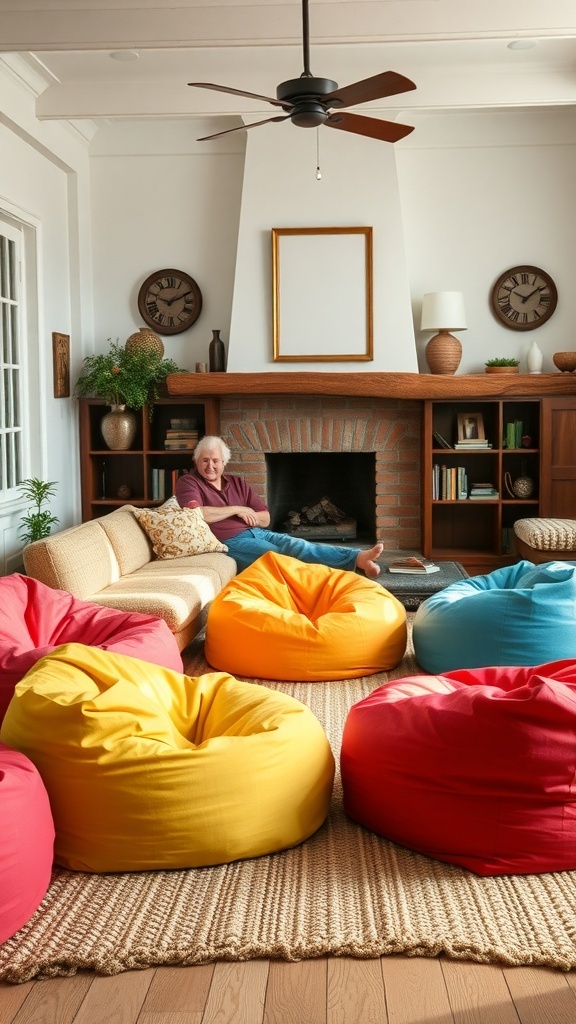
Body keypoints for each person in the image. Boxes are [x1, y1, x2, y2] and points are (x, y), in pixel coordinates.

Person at [175, 435, 384, 577]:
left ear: (223, 462)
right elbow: (196, 513)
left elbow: (266, 518)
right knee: (278, 556)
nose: (210, 466)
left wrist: (253, 517)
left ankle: (358, 558)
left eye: (215, 461)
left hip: (257, 532)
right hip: (228, 542)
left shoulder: (237, 482)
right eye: (205, 461)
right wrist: (238, 509)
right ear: (196, 461)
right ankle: (325, 582)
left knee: (299, 545)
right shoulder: (189, 482)